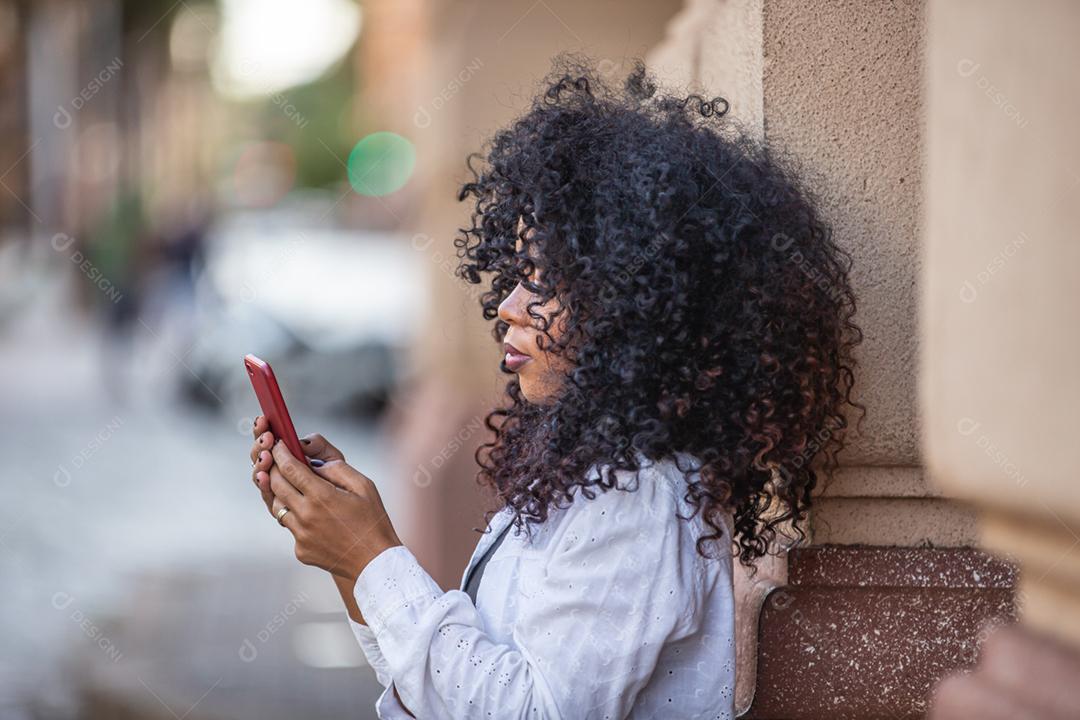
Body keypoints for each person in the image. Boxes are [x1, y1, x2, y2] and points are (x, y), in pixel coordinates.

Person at [247, 56, 863, 719]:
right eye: (516, 273)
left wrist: (371, 554)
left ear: (633, 306)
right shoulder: (592, 475)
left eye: (541, 279)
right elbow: (446, 692)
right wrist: (350, 559)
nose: (507, 307)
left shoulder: (636, 499)